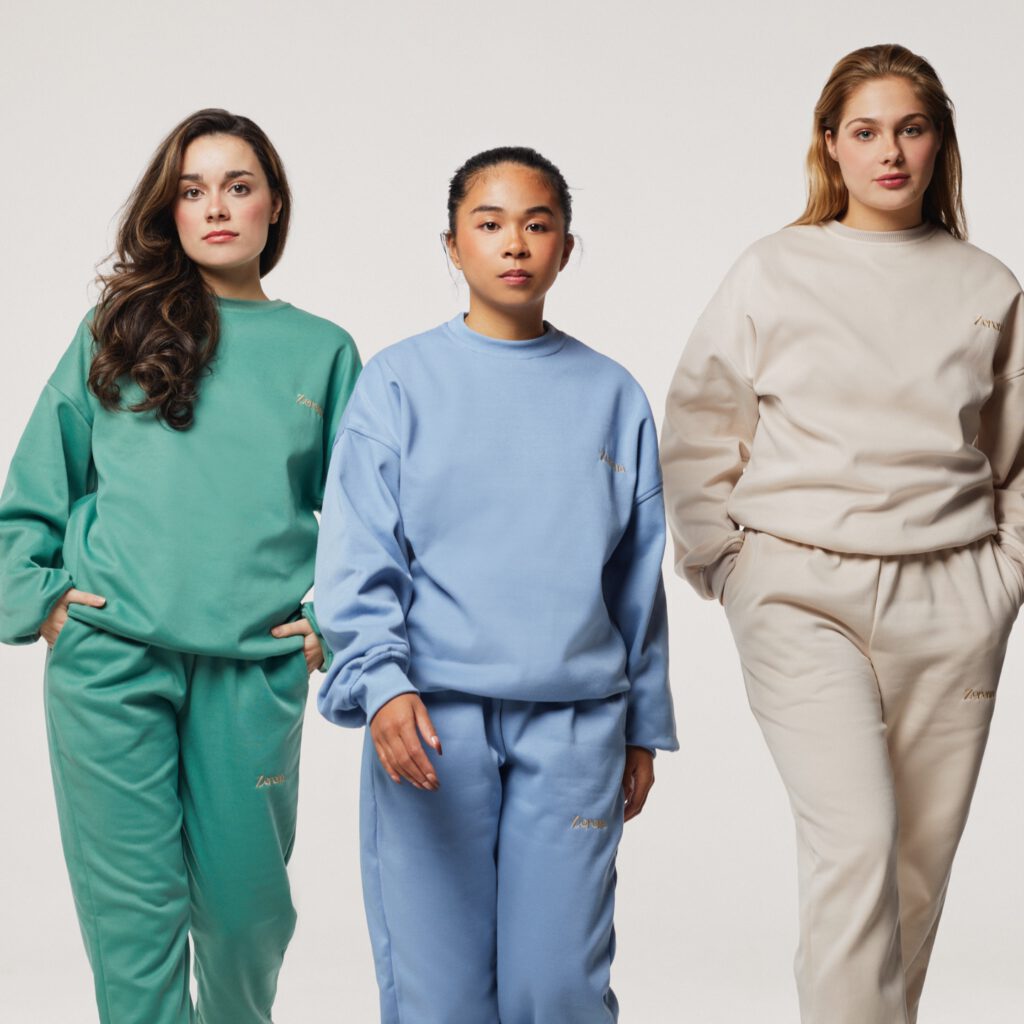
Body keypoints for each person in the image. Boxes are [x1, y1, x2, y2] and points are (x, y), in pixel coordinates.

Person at [660, 43, 1024, 1024]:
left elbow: (1014, 455)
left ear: (939, 140)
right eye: (864, 131)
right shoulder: (773, 269)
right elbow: (698, 424)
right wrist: (724, 561)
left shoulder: (988, 286)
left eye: (910, 128)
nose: (889, 152)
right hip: (796, 588)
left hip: (951, 597)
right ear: (830, 145)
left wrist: (1002, 577)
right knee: (856, 842)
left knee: (913, 873)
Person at [0, 109, 361, 1024]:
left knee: (246, 918)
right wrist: (41, 600)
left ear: (274, 205)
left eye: (238, 186)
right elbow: (33, 493)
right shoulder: (113, 330)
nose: (216, 208)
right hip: (109, 662)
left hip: (253, 671)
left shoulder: (323, 351)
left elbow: (368, 523)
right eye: (192, 190)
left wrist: (331, 626)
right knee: (135, 926)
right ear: (170, 210)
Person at [314, 146, 677, 1024]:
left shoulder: (612, 394)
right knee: (441, 1000)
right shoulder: (397, 383)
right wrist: (383, 682)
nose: (514, 243)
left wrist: (642, 724)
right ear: (453, 246)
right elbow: (360, 554)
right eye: (489, 223)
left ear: (565, 246)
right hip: (431, 725)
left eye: (536, 223)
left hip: (578, 726)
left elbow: (638, 577)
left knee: (555, 991)